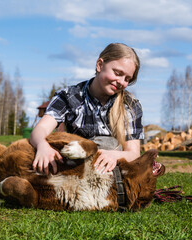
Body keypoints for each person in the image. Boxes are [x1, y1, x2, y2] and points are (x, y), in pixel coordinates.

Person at [30, 43, 144, 175]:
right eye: (117, 73)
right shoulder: (68, 96)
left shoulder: (130, 105)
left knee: (109, 143)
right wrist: (42, 146)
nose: (121, 82)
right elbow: (41, 129)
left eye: (127, 79)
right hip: (77, 167)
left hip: (111, 170)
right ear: (100, 65)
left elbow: (134, 153)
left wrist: (114, 155)